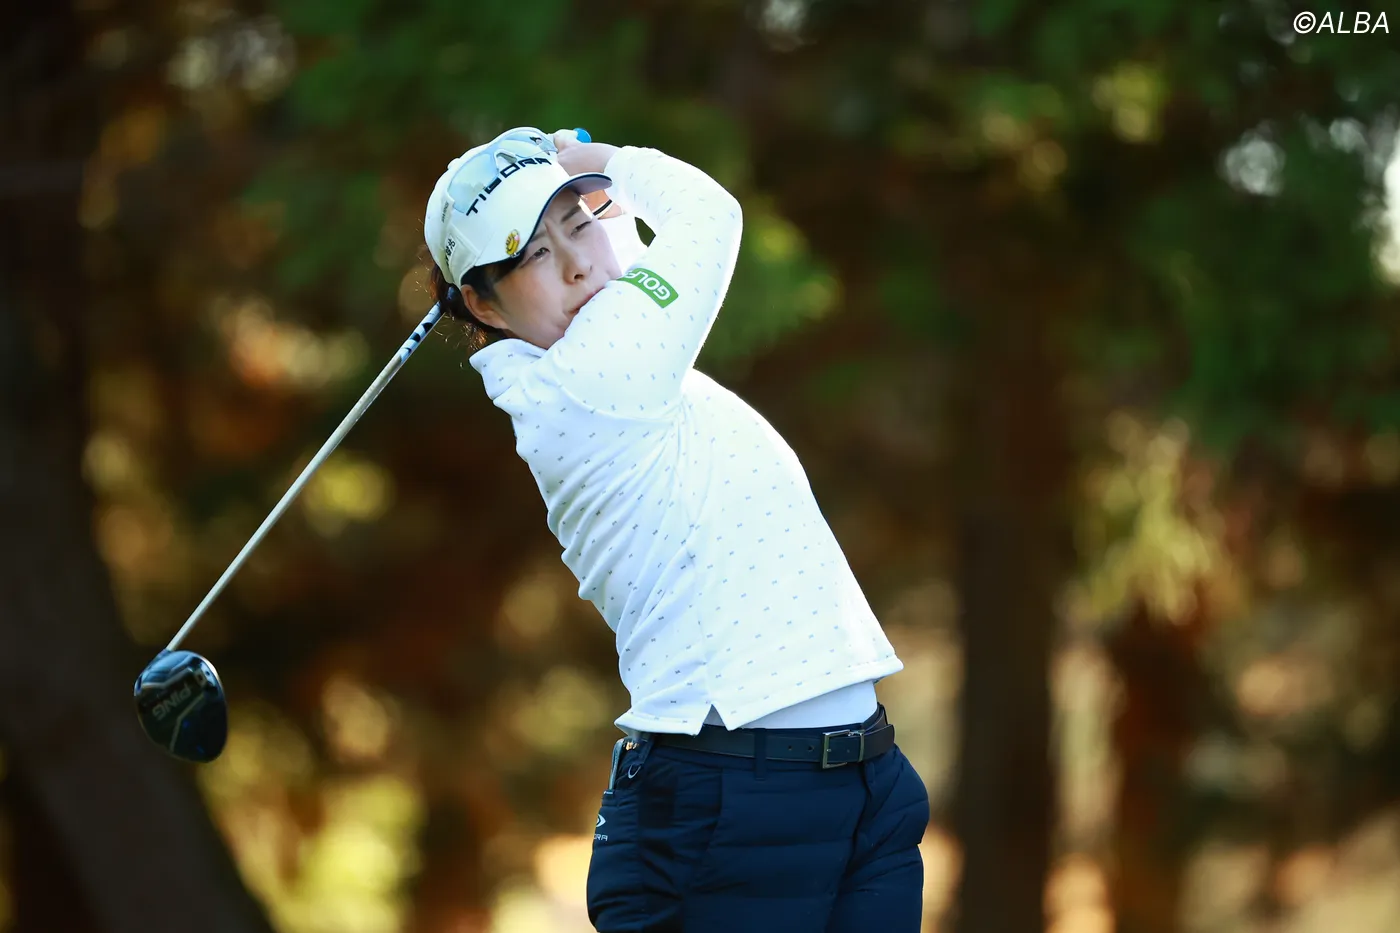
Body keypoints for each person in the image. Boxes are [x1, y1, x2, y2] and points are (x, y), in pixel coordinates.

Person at [422, 126, 930, 932]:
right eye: (534, 254)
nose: (577, 263)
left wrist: (581, 186)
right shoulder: (589, 383)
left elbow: (617, 256)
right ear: (482, 305)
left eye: (578, 224)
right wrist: (603, 161)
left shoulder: (622, 366)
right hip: (730, 804)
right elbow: (707, 216)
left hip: (858, 784)